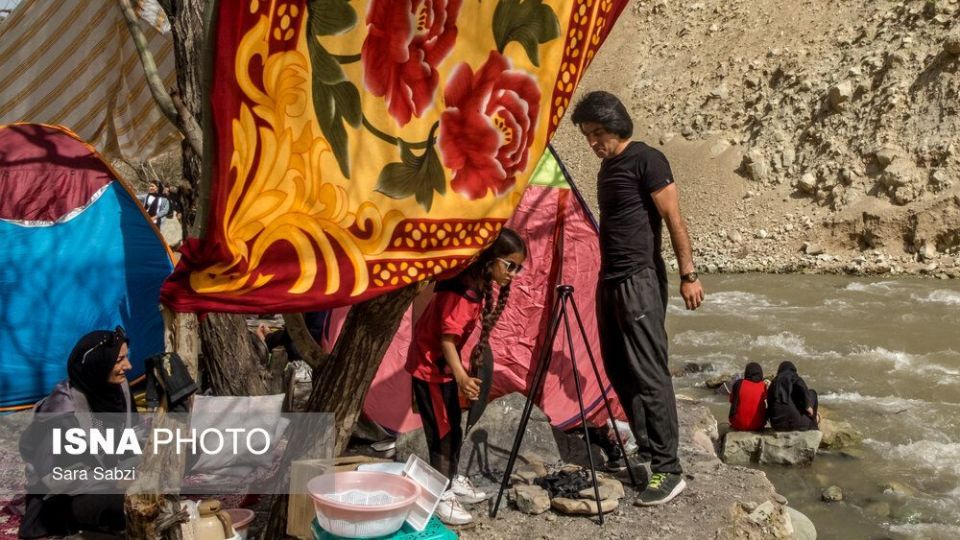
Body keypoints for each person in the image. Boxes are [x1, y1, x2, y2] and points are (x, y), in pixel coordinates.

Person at [571, 91, 704, 506]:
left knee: (649, 373)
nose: (593, 142)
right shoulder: (607, 168)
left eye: (598, 132)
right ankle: (646, 446)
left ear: (617, 125)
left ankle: (669, 469)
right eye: (587, 135)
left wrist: (688, 275)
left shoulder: (648, 159)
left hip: (639, 279)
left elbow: (674, 218)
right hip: (610, 281)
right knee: (617, 366)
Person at [405, 228, 527, 525]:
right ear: (491, 259)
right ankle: (442, 495)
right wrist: (462, 377)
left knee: (453, 428)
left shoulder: (474, 284)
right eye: (510, 266)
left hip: (443, 370)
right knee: (442, 434)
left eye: (518, 268)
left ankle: (451, 478)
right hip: (430, 370)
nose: (513, 274)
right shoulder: (462, 292)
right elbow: (447, 340)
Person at [19, 328, 134, 538]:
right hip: (63, 495)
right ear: (97, 363)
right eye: (119, 360)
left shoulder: (117, 388)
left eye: (126, 357)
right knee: (122, 503)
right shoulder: (62, 413)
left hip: (107, 473)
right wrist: (116, 481)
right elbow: (57, 477)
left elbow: (131, 436)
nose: (128, 366)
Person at [767, 361, 819, 431]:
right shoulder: (793, 376)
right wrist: (807, 406)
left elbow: (769, 407)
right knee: (813, 392)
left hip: (777, 425)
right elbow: (801, 386)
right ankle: (813, 424)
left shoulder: (773, 384)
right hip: (795, 424)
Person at [728, 362, 768, 431]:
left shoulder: (739, 383)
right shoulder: (763, 386)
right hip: (758, 425)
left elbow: (731, 400)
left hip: (738, 424)